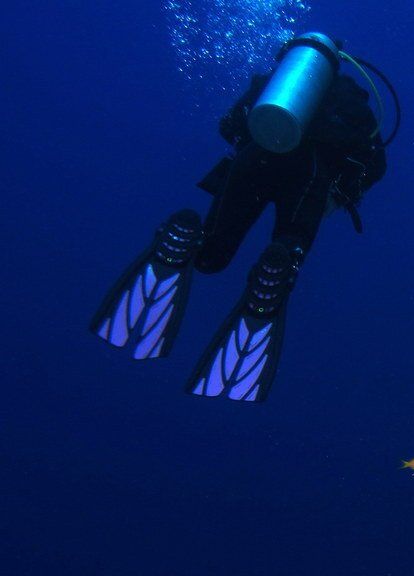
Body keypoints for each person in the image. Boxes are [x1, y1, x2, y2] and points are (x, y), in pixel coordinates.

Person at [92, 33, 391, 402]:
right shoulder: (354, 104)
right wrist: (345, 189)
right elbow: (375, 164)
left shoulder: (273, 84)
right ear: (339, 62)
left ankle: (188, 238)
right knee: (290, 242)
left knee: (211, 257)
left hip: (254, 160)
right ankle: (279, 267)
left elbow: (230, 125)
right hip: (310, 174)